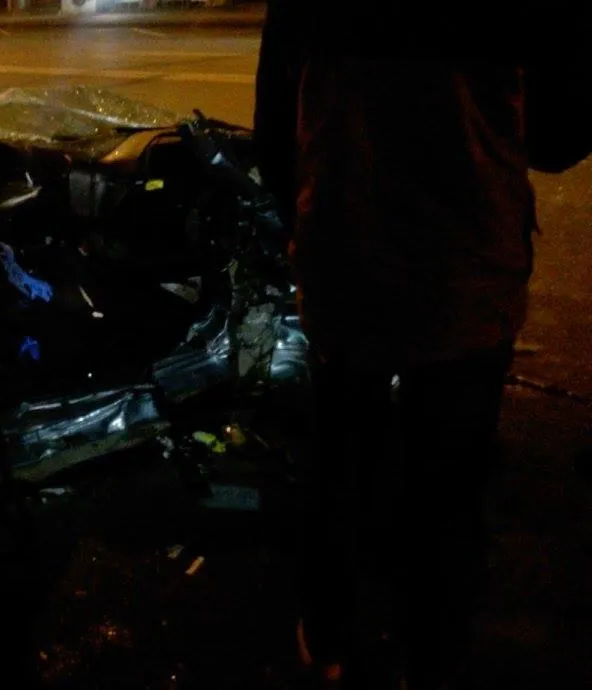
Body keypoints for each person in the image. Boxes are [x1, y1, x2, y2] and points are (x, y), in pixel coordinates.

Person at [253, 2, 591, 689]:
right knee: (450, 487)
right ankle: (431, 655)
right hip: (466, 270)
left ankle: (330, 635)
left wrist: (311, 228)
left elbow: (274, 132)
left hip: (348, 256)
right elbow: (557, 139)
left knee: (341, 457)